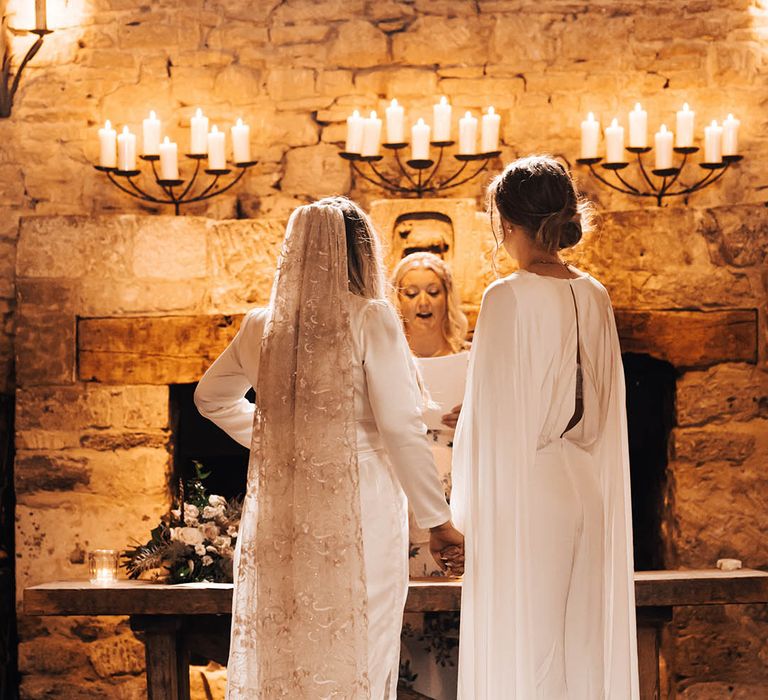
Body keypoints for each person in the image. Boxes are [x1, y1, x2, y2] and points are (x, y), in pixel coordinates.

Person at [193, 197, 464, 700]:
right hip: (363, 502)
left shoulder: (261, 323)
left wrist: (284, 440)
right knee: (362, 636)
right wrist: (438, 521)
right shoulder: (371, 317)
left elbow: (210, 398)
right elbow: (401, 427)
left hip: (287, 504)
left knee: (291, 637)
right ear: (361, 253)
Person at [451, 156, 639, 699]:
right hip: (585, 483)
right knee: (579, 641)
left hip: (530, 491)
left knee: (530, 648)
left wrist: (459, 519)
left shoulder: (506, 296)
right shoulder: (594, 293)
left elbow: (491, 423)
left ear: (505, 223)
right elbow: (600, 405)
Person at [392, 252, 470, 700]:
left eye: (433, 291)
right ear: (398, 302)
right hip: (405, 486)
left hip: (459, 484)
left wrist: (475, 418)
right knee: (408, 607)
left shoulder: (471, 360)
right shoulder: (388, 363)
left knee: (456, 600)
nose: (423, 301)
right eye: (412, 291)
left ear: (446, 299)